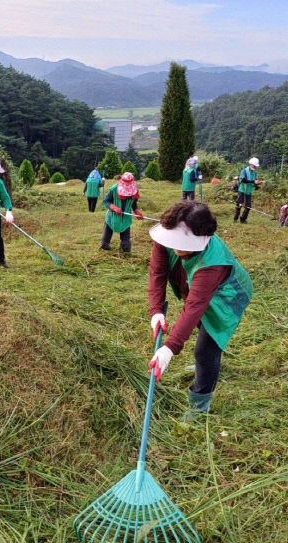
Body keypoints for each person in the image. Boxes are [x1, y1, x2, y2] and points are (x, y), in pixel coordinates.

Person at [147, 201, 253, 418]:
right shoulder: (167, 234)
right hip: (197, 289)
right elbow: (158, 273)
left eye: (180, 243)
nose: (173, 247)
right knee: (197, 324)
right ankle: (203, 369)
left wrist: (169, 348)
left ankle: (199, 405)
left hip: (228, 296)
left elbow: (195, 306)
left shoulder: (212, 263)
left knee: (205, 350)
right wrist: (156, 310)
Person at [100, 172, 144, 252]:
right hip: (112, 217)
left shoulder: (134, 191)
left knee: (126, 248)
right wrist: (114, 207)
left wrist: (136, 211)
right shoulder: (114, 189)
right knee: (104, 245)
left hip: (125, 219)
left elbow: (134, 203)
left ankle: (124, 247)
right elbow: (106, 201)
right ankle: (106, 244)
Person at [233, 157, 259, 223]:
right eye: (254, 165)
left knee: (248, 207)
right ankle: (235, 218)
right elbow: (243, 180)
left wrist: (257, 184)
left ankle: (243, 219)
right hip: (242, 190)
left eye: (256, 166)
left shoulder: (254, 173)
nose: (255, 167)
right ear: (250, 164)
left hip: (249, 191)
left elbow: (253, 182)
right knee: (239, 205)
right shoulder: (244, 171)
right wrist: (253, 182)